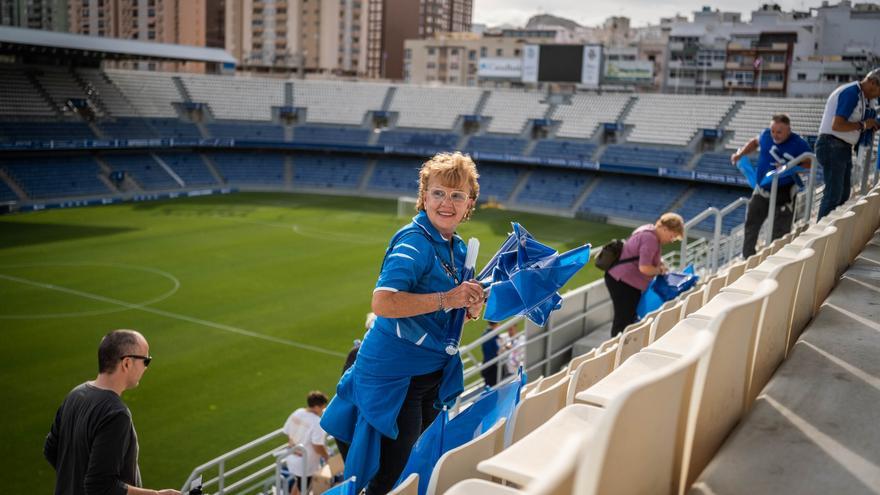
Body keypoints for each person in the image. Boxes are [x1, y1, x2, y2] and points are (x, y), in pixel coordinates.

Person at [321, 152, 484, 495]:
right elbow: (383, 302)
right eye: (438, 193)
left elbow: (440, 311)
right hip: (396, 377)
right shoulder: (414, 241)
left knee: (416, 467)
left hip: (426, 375)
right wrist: (449, 299)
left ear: (469, 204)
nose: (447, 202)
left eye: (457, 195)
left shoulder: (453, 246)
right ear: (424, 197)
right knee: (392, 478)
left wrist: (467, 307)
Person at [43, 330, 180, 495]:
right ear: (127, 363)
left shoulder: (75, 395)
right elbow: (101, 486)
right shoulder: (116, 414)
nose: (146, 368)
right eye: (146, 361)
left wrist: (75, 480)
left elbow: (50, 449)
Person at [730, 114, 812, 258]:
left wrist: (791, 165)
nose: (775, 135)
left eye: (779, 131)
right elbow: (755, 142)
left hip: (784, 192)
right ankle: (747, 258)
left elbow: (810, 163)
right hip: (762, 190)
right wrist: (740, 154)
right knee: (751, 225)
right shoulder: (766, 135)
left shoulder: (798, 143)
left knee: (779, 231)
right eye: (773, 130)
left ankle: (775, 259)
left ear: (788, 130)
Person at [604, 213, 684, 337]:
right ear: (665, 229)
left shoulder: (648, 231)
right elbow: (645, 268)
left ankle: (620, 348)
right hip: (623, 281)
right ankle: (616, 350)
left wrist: (659, 263)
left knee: (627, 318)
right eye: (672, 236)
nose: (671, 240)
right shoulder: (650, 239)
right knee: (623, 320)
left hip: (622, 279)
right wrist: (660, 270)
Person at [816, 68, 880, 219]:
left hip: (842, 147)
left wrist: (871, 125)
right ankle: (820, 233)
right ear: (872, 82)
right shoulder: (851, 93)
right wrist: (864, 125)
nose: (878, 95)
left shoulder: (864, 98)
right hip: (831, 145)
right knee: (833, 195)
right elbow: (837, 125)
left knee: (843, 194)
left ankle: (828, 232)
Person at [283, 391, 330, 495]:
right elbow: (317, 446)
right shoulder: (317, 422)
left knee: (299, 482)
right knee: (304, 489)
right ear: (317, 407)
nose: (323, 410)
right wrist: (326, 456)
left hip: (292, 457)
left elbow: (287, 432)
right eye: (323, 407)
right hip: (305, 464)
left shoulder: (297, 412)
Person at [480, 321, 502, 387]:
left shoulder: (485, 334)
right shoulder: (494, 335)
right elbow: (497, 350)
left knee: (489, 387)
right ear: (497, 324)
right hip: (492, 366)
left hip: (486, 364)